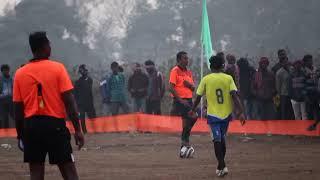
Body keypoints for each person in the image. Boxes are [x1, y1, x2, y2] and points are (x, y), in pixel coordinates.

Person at [13, 31, 84, 180]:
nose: (50, 47)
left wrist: (20, 135)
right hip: (55, 126)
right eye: (49, 44)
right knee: (69, 170)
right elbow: (69, 102)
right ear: (44, 47)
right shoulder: (58, 68)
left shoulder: (20, 73)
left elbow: (18, 110)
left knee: (36, 173)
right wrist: (78, 129)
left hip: (31, 127)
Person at [190, 55, 246, 177]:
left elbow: (198, 96)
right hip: (226, 114)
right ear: (222, 66)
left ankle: (222, 165)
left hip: (213, 115)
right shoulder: (228, 79)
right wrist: (241, 112)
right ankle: (221, 165)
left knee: (217, 140)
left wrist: (193, 109)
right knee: (222, 140)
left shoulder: (206, 79)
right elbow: (235, 96)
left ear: (210, 66)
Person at [169, 51, 197, 156]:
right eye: (185, 58)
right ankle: (185, 140)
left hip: (189, 100)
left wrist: (189, 85)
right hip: (181, 101)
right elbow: (171, 87)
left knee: (187, 122)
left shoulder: (188, 72)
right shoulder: (175, 71)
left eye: (187, 58)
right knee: (194, 116)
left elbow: (193, 88)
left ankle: (183, 146)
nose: (187, 60)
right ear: (179, 60)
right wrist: (180, 100)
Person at [74, 64, 96, 134]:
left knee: (92, 117)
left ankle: (95, 130)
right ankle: (84, 131)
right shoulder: (78, 82)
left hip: (89, 102)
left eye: (85, 70)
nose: (84, 72)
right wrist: (77, 103)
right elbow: (75, 94)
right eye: (82, 70)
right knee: (82, 118)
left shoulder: (90, 80)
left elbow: (91, 91)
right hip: (81, 103)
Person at [301, 55, 320, 130]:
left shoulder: (315, 69)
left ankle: (314, 125)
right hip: (309, 94)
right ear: (305, 62)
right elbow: (302, 85)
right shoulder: (303, 71)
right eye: (309, 60)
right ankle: (311, 126)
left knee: (317, 110)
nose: (311, 62)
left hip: (316, 93)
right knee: (310, 111)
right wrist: (305, 96)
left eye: (311, 60)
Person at [276, 54, 295, 120]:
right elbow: (278, 86)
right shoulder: (279, 72)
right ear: (281, 63)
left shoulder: (291, 69)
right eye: (284, 62)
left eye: (286, 61)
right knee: (284, 111)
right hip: (283, 94)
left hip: (292, 93)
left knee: (292, 111)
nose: (285, 63)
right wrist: (278, 98)